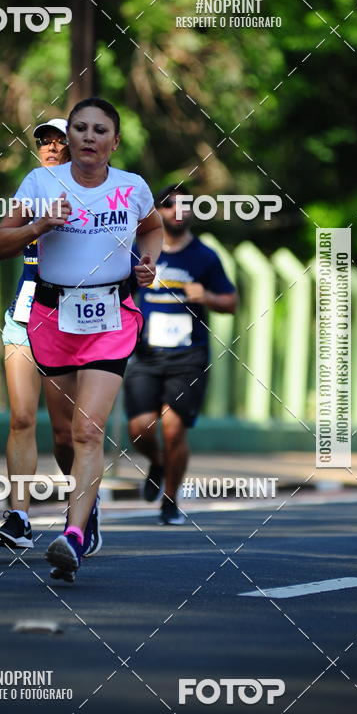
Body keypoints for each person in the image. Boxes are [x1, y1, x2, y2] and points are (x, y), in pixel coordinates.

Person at [0, 97, 163, 581]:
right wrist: (40, 224)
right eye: (80, 128)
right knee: (63, 434)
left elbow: (153, 228)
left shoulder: (132, 188)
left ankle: (73, 534)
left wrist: (148, 265)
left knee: (89, 430)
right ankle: (85, 508)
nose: (88, 137)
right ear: (71, 138)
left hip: (112, 314)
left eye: (99, 130)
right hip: (52, 316)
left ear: (115, 141)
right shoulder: (41, 183)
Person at [0, 119, 101, 558]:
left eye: (58, 140)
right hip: (23, 319)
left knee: (65, 435)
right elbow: (1, 239)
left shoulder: (96, 195)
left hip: (68, 324)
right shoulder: (32, 188)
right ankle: (19, 518)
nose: (49, 147)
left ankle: (83, 507)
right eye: (43, 140)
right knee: (21, 420)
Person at [124, 183, 237, 524]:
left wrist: (208, 297)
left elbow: (231, 302)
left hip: (188, 356)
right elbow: (120, 290)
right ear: (158, 211)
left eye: (185, 205)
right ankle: (158, 463)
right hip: (145, 353)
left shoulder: (204, 256)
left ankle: (171, 500)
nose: (177, 211)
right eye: (170, 205)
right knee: (140, 428)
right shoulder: (140, 250)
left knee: (173, 427)